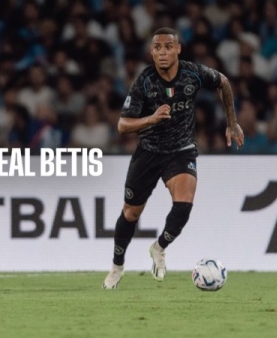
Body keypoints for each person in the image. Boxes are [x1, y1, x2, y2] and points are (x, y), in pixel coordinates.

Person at [102, 27, 244, 289]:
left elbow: (223, 81)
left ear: (178, 49)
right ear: (151, 52)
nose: (163, 52)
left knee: (184, 204)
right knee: (131, 213)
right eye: (157, 48)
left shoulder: (193, 73)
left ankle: (159, 247)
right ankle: (117, 266)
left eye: (168, 47)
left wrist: (232, 122)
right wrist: (151, 119)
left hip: (181, 150)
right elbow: (122, 125)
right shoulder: (144, 81)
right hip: (148, 152)